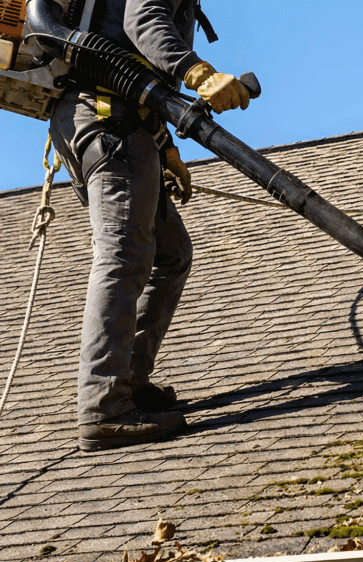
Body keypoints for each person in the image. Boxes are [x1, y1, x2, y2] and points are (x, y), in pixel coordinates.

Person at [47, 0, 250, 451]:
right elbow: (142, 18)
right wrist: (199, 73)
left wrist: (163, 147)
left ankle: (130, 382)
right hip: (107, 120)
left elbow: (133, 65)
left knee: (169, 254)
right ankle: (104, 407)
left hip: (110, 119)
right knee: (123, 256)